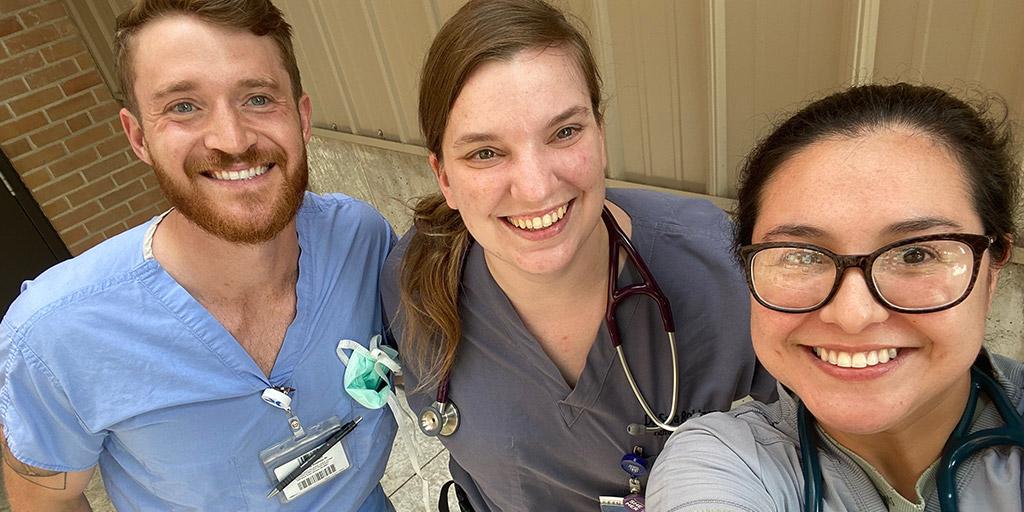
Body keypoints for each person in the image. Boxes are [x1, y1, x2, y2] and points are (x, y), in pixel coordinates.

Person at [0, 1, 397, 510]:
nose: (232, 140)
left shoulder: (359, 240)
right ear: (138, 136)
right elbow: (47, 502)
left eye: (257, 97)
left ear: (301, 117)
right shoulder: (55, 336)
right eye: (184, 106)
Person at [380, 1, 776, 509]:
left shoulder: (717, 269)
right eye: (485, 152)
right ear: (444, 177)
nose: (536, 187)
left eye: (564, 132)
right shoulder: (413, 282)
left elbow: (820, 444)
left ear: (601, 133)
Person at [647, 83, 1023, 511]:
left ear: (994, 268)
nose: (852, 315)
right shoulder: (720, 464)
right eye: (802, 256)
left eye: (915, 254)